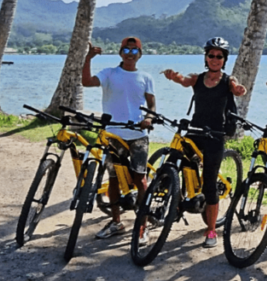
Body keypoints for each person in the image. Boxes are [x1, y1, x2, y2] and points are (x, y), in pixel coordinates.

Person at [163, 37, 246, 248]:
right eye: (211, 55)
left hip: (215, 135)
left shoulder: (228, 81)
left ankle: (211, 231)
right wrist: (173, 77)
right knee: (173, 162)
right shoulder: (198, 79)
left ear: (224, 59)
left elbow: (237, 87)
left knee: (209, 183)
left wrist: (239, 90)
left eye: (219, 56)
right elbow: (184, 80)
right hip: (195, 131)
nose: (215, 59)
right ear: (206, 58)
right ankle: (177, 204)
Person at [81, 36, 155, 240]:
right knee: (113, 179)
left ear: (139, 55)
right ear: (120, 52)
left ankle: (143, 225)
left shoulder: (146, 77)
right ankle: (116, 222)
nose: (130, 54)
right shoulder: (109, 73)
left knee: (140, 179)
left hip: (138, 135)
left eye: (134, 51)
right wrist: (88, 58)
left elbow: (152, 105)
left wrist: (148, 118)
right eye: (126, 50)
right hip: (114, 135)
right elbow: (86, 82)